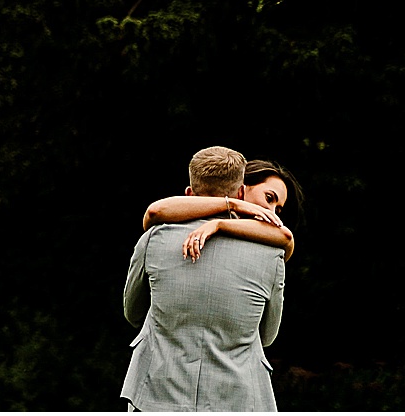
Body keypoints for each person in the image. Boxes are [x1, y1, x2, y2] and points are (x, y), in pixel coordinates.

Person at [121, 146, 286, 412]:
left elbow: (133, 312)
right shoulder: (271, 255)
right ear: (241, 192)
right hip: (237, 399)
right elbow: (267, 335)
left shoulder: (153, 239)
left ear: (189, 193)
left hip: (155, 394)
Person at [142, 158, 302, 261]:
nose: (271, 212)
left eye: (278, 210)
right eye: (269, 198)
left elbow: (286, 238)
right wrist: (233, 204)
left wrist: (219, 225)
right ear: (242, 188)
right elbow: (155, 211)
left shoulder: (268, 248)